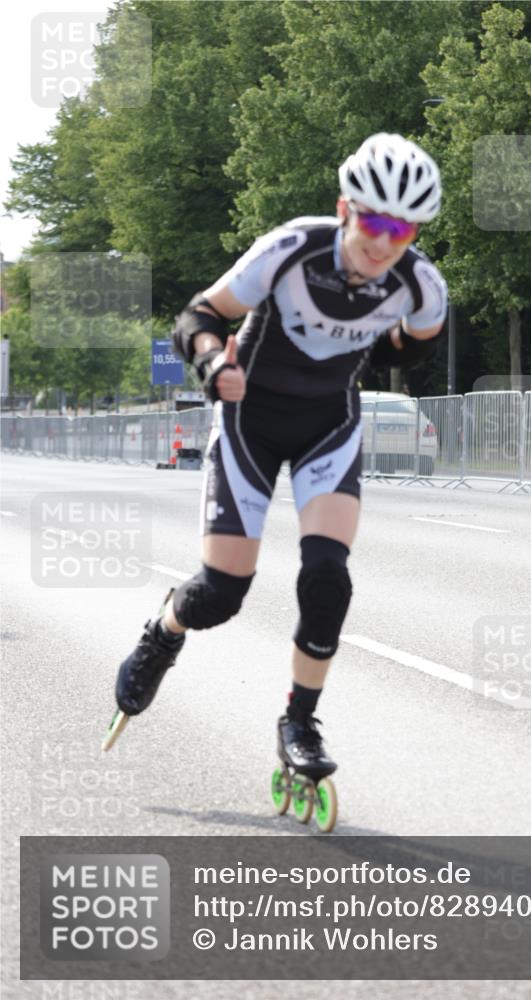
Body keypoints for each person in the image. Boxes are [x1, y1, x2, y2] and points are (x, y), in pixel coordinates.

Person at [114, 133, 447, 782]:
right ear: (343, 208)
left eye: (401, 229)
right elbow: (198, 315)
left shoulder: (422, 285)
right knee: (221, 594)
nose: (383, 242)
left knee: (327, 578)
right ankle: (163, 632)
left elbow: (410, 349)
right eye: (372, 221)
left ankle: (299, 720)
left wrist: (354, 345)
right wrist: (212, 362)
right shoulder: (292, 247)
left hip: (328, 426)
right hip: (250, 422)